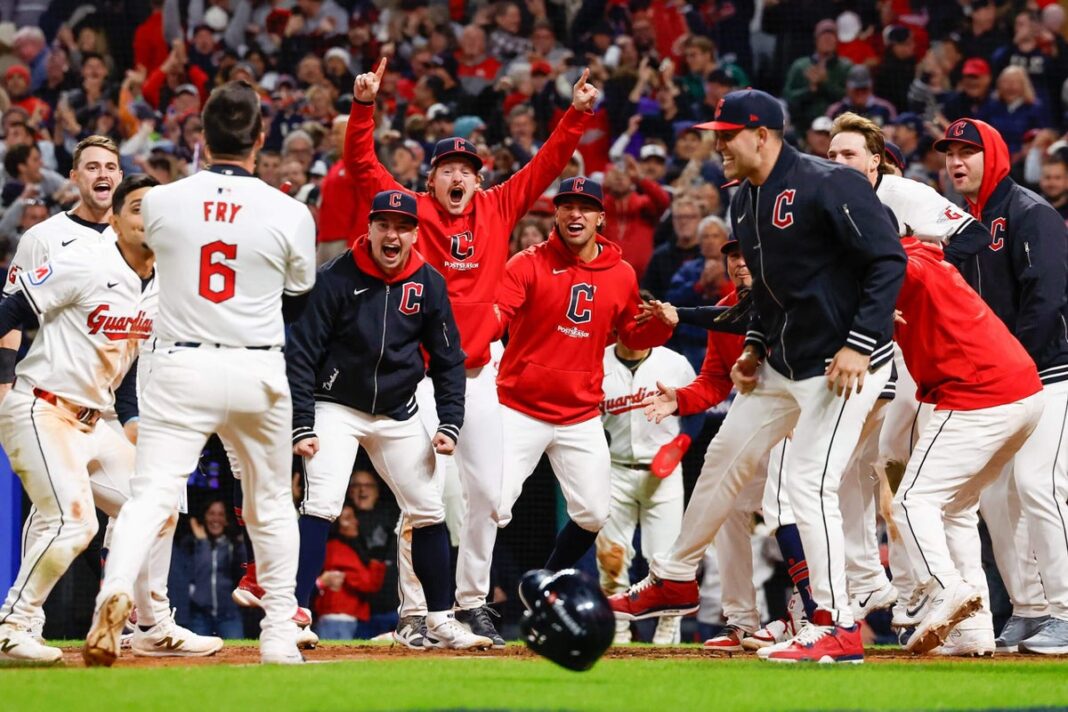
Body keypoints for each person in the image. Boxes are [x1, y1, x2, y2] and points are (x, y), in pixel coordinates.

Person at [609, 89, 906, 664]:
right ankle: (673, 577)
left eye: (726, 134)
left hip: (844, 365)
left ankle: (838, 623)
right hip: (783, 363)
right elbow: (768, 296)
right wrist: (750, 345)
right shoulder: (744, 199)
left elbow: (887, 260)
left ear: (762, 135)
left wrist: (859, 344)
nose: (716, 143)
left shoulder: (830, 182)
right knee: (723, 460)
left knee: (807, 482)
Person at [343, 58, 597, 647]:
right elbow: (361, 165)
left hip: (480, 375)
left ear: (479, 180)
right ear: (430, 180)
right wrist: (363, 108)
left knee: (487, 495)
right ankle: (414, 612)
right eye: (448, 169)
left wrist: (577, 114)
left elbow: (547, 166)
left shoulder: (500, 206)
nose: (458, 177)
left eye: (467, 169)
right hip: (419, 377)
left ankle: (473, 603)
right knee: (422, 494)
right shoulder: (410, 213)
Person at [85, 80, 317, 667]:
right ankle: (279, 633)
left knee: (151, 493)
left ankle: (115, 592)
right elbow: (299, 289)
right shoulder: (290, 211)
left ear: (202, 137)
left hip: (180, 362)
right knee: (269, 504)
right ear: (261, 138)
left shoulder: (160, 201)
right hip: (256, 363)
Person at [0, 175, 222, 663]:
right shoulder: (85, 261)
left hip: (94, 420)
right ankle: (11, 626)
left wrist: (132, 418)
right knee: (74, 524)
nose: (150, 219)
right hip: (41, 406)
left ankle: (151, 626)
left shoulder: (163, 280)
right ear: (116, 219)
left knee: (159, 510)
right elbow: (9, 309)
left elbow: (127, 359)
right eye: (139, 208)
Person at [284, 188, 490, 650]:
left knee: (429, 510)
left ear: (415, 234)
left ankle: (439, 618)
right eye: (384, 224)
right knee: (321, 502)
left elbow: (448, 359)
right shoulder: (336, 276)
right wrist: (302, 422)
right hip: (336, 404)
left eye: (402, 226)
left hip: (398, 410)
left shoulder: (430, 282)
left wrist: (450, 421)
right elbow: (301, 354)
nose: (392, 234)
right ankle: (293, 614)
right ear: (370, 228)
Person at [493, 177, 674, 582]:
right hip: (519, 407)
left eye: (586, 207)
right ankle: (465, 603)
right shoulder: (526, 262)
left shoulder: (622, 273)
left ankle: (545, 582)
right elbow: (497, 317)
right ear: (555, 214)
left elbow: (631, 335)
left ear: (601, 218)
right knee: (493, 506)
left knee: (594, 513)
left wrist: (660, 328)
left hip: (579, 413)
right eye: (567, 206)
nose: (576, 214)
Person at [638, 240, 810, 654]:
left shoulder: (789, 294)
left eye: (748, 254)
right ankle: (741, 620)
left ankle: (812, 611)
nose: (740, 263)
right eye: (732, 256)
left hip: (802, 425)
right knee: (731, 506)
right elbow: (716, 379)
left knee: (793, 512)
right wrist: (679, 398)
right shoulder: (726, 307)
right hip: (756, 430)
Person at [939, 119, 1068, 655]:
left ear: (993, 155)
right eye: (950, 153)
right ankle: (1030, 608)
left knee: (1041, 486)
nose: (956, 161)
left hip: (1050, 372)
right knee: (996, 495)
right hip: (1003, 381)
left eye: (968, 151)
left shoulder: (1030, 212)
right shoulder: (970, 224)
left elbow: (1047, 297)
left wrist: (1010, 364)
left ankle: (1064, 609)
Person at [597, 334, 695, 645]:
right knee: (611, 560)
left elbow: (697, 408)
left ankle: (669, 631)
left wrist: (682, 442)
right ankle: (618, 631)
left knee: (665, 561)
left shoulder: (674, 363)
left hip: (662, 473)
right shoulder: (597, 362)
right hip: (615, 469)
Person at [314, 503, 386, 641]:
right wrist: (376, 561)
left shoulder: (344, 547)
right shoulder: (336, 549)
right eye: (348, 518)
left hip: (341, 618)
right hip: (337, 619)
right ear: (336, 525)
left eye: (354, 517)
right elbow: (368, 583)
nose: (355, 522)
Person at [186, 500, 246, 639]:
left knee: (236, 656)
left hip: (229, 614)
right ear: (204, 517)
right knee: (197, 657)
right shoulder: (191, 543)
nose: (216, 519)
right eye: (211, 513)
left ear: (226, 520)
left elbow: (242, 574)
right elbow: (194, 573)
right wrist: (203, 544)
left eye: (221, 514)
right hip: (199, 615)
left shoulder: (235, 545)